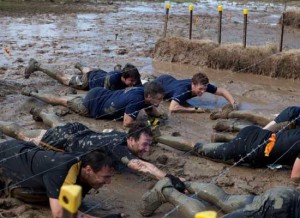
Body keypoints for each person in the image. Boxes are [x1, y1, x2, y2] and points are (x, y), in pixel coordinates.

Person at [0, 105, 180, 181]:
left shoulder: (121, 135)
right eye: (144, 144)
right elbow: (142, 167)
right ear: (131, 139)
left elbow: (106, 133)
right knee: (21, 135)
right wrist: (169, 177)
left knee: (54, 126)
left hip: (78, 130)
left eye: (149, 144)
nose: (147, 149)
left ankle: (41, 112)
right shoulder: (120, 148)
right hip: (62, 141)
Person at [0, 139, 117, 218]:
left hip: (26, 150)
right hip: (7, 155)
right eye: (105, 177)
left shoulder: (85, 165)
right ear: (88, 170)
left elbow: (74, 210)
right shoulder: (64, 170)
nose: (109, 182)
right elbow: (60, 214)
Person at [21, 81, 165, 127]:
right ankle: (33, 93)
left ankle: (68, 94)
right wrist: (145, 124)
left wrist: (161, 116)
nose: (160, 101)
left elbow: (151, 108)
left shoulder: (142, 90)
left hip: (100, 93)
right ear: (148, 96)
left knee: (68, 98)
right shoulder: (137, 100)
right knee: (62, 101)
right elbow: (127, 123)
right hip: (91, 107)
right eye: (158, 99)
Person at [140, 178, 300, 218]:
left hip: (285, 195)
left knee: (227, 200)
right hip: (279, 210)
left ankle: (183, 183)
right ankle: (167, 191)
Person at [24, 58, 142, 91]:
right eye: (131, 81)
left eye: (134, 81)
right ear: (123, 77)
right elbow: (105, 95)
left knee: (90, 71)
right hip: (89, 80)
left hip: (98, 72)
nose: (133, 83)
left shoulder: (130, 76)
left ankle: (80, 65)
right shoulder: (113, 80)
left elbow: (140, 86)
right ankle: (37, 65)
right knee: (65, 79)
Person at [153, 72, 237, 113]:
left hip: (171, 80)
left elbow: (222, 91)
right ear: (193, 84)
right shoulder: (183, 90)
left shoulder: (203, 85)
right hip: (160, 84)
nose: (203, 91)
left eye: (205, 89)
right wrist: (195, 109)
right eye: (200, 89)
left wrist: (233, 103)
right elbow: (172, 108)